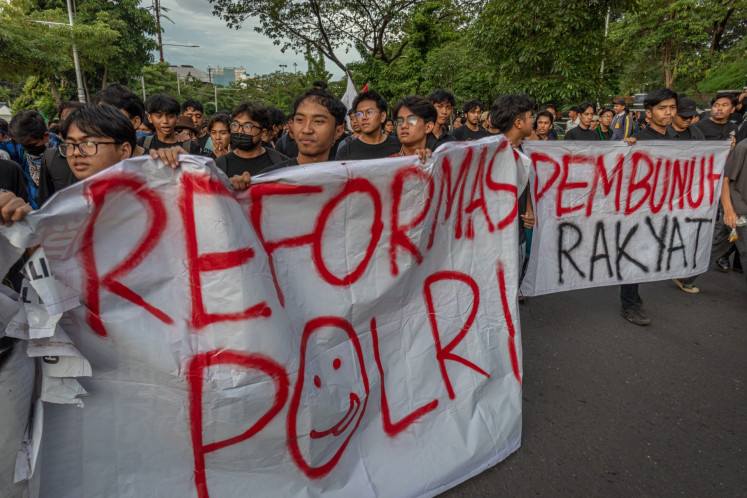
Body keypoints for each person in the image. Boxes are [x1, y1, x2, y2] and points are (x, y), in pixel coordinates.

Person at [618, 88, 678, 325]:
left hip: (666, 207)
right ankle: (628, 304)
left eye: (672, 108)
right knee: (634, 255)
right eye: (662, 108)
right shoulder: (637, 141)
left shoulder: (678, 140)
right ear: (649, 113)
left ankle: (632, 294)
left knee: (651, 253)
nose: (668, 113)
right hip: (639, 210)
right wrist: (626, 149)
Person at [490, 94, 536, 280]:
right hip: (498, 240)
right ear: (519, 122)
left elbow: (525, 184)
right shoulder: (492, 152)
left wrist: (529, 210)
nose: (533, 120)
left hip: (519, 233)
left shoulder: (523, 149)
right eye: (531, 116)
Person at [214, 102, 288, 180]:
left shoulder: (281, 163)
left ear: (263, 133)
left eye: (248, 126)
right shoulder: (218, 166)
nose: (240, 131)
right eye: (235, 125)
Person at [8, 110, 63, 208]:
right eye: (24, 146)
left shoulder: (63, 156)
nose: (29, 150)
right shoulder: (23, 152)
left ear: (46, 136)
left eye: (32, 145)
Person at [335, 89, 400, 160]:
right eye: (359, 114)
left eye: (369, 112)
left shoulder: (399, 146)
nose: (364, 117)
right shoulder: (346, 151)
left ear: (382, 116)